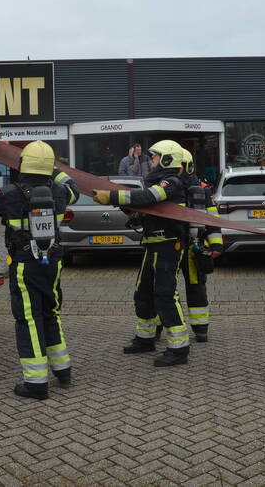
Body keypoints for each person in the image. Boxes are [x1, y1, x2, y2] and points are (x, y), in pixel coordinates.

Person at [0, 140, 79, 399]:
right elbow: (74, 188)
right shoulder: (61, 192)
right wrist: (54, 169)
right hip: (53, 261)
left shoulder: (10, 194)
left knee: (29, 318)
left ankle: (36, 383)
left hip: (25, 262)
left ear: (23, 164)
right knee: (51, 312)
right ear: (48, 167)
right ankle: (62, 370)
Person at [93, 139, 192, 366]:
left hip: (168, 245)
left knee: (165, 295)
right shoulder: (156, 182)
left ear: (167, 160)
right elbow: (144, 209)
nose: (152, 160)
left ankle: (179, 348)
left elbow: (148, 198)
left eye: (155, 156)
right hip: (152, 244)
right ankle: (145, 339)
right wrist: (127, 209)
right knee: (143, 293)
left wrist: (112, 196)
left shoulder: (172, 182)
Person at [177, 148, 223, 342]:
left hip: (192, 246)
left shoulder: (202, 190)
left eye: (179, 165)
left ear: (187, 166)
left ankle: (201, 328)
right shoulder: (166, 188)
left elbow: (213, 219)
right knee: (164, 288)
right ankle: (162, 327)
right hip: (170, 245)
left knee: (196, 287)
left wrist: (216, 245)